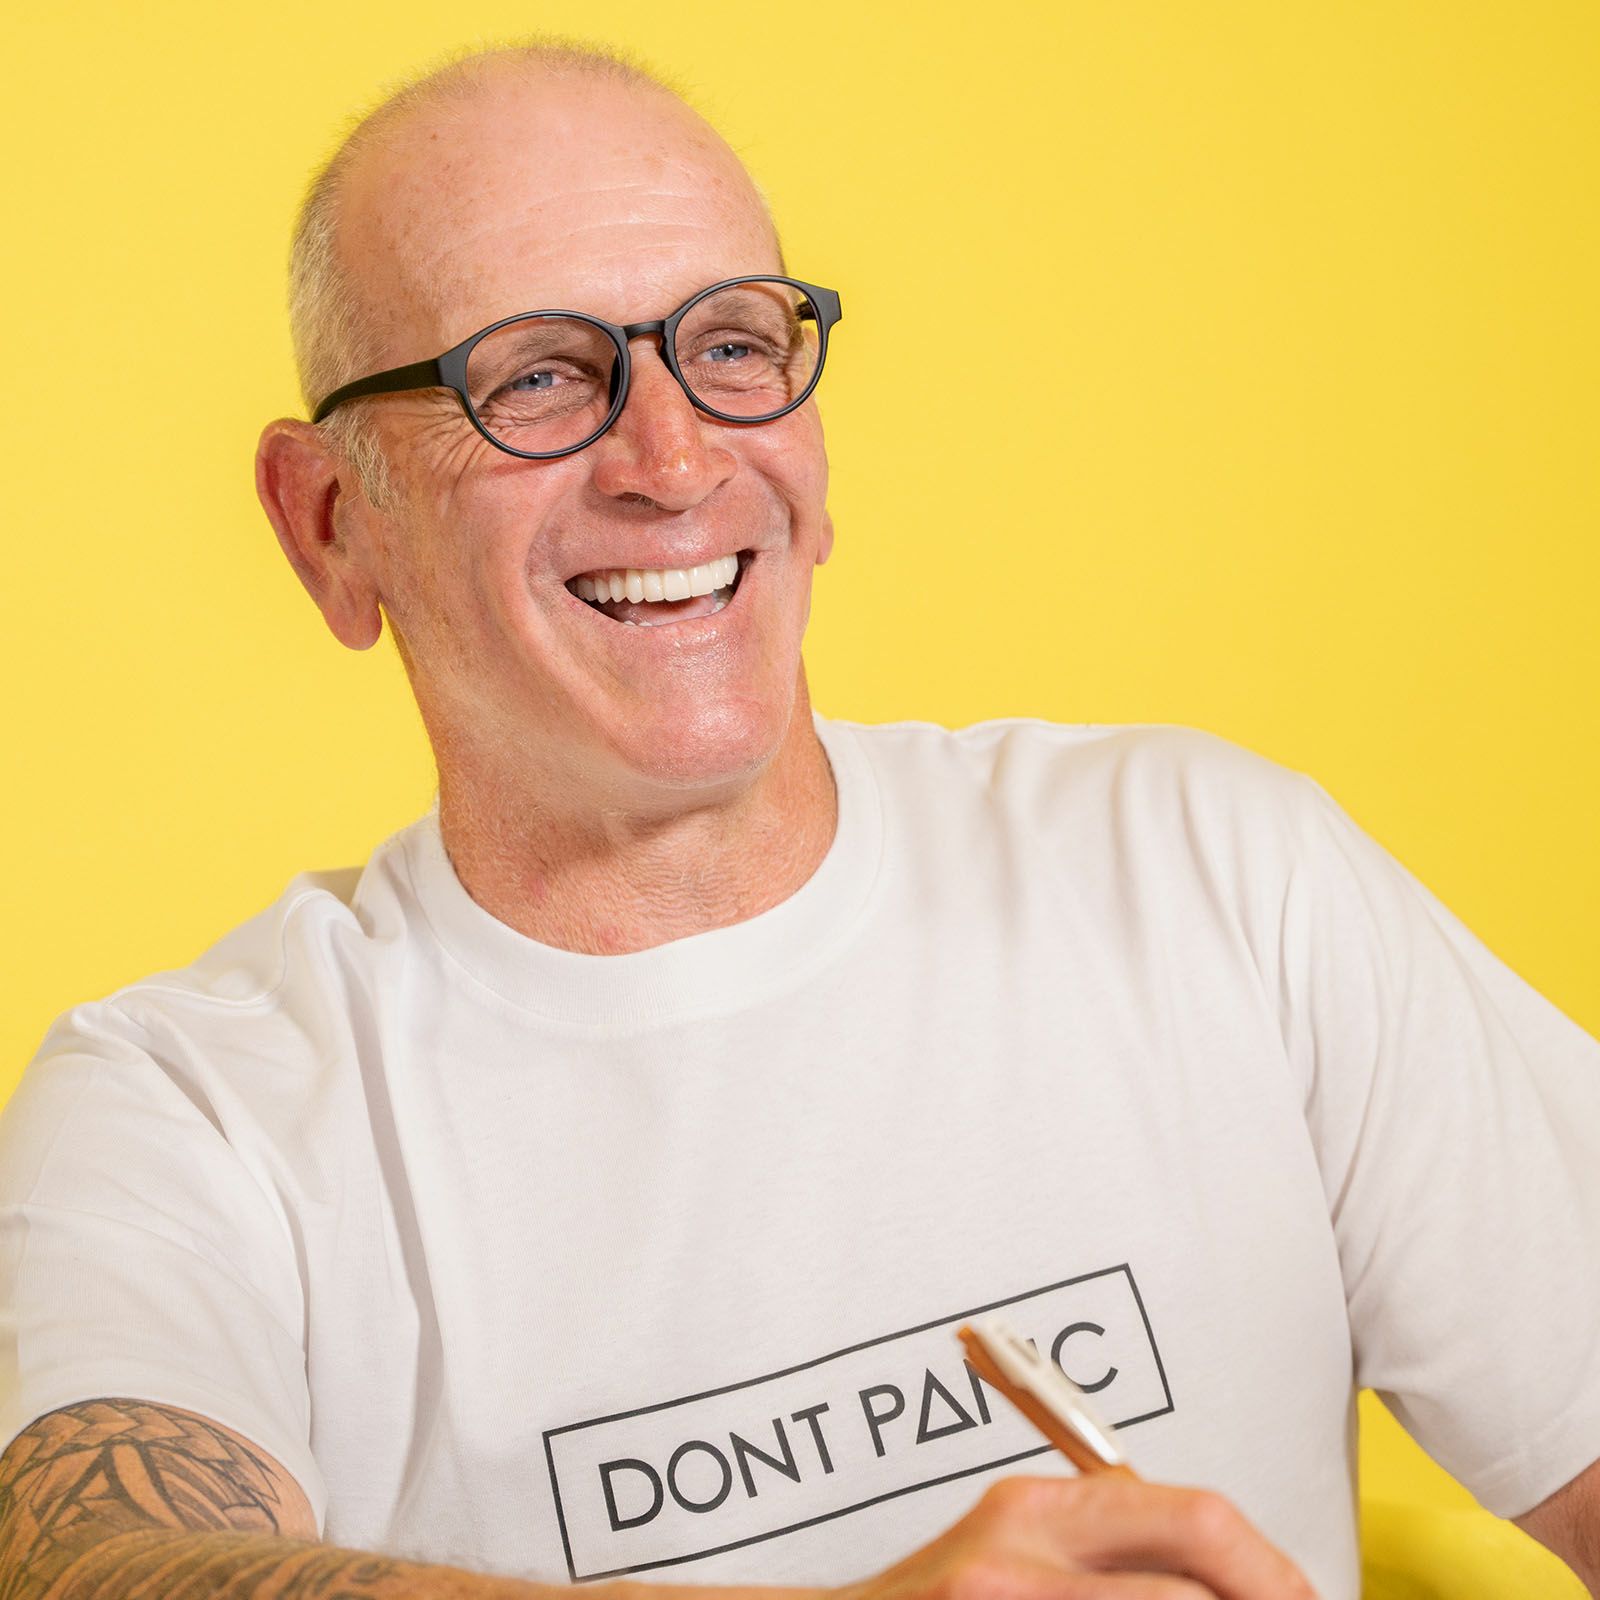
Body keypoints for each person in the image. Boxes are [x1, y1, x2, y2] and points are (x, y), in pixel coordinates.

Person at [1, 36, 1598, 1600]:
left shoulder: (1213, 878)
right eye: (538, 377)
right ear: (332, 524)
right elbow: (91, 1566)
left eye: (732, 346)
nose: (674, 458)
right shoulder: (191, 1110)